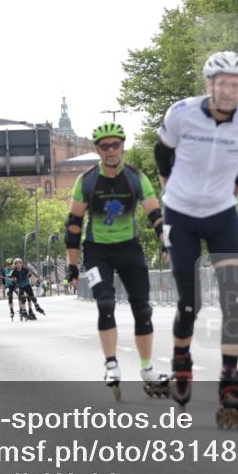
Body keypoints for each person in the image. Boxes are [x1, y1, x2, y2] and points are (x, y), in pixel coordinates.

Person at [154, 51, 238, 428]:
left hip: (221, 215)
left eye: (237, 84)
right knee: (191, 300)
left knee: (234, 298)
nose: (229, 90)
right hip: (180, 215)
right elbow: (162, 152)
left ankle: (229, 380)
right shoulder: (181, 113)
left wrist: (235, 188)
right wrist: (169, 188)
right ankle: (181, 360)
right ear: (209, 85)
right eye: (222, 83)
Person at [65, 122, 169, 400]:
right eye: (104, 146)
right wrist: (72, 265)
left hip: (129, 249)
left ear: (123, 145)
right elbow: (74, 224)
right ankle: (111, 363)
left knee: (143, 309)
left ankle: (147, 368)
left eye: (115, 145)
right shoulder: (86, 180)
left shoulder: (136, 178)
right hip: (97, 251)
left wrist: (166, 244)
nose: (111, 151)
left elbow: (155, 215)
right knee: (105, 302)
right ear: (97, 149)